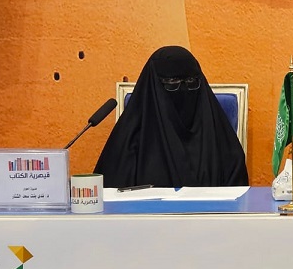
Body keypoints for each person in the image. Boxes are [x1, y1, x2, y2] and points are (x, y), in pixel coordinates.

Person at [94, 46, 249, 188]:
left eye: (191, 81)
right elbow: (111, 196)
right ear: (153, 87)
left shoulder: (219, 138)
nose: (183, 89)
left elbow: (238, 194)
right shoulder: (130, 140)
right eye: (172, 81)